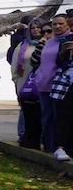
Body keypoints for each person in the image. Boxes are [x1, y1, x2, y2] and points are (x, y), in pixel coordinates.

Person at [35, 15, 71, 154]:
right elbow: (40, 61)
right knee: (47, 118)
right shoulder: (49, 41)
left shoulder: (69, 39)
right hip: (44, 84)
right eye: (54, 24)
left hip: (61, 85)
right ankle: (50, 147)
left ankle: (61, 147)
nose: (57, 27)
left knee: (60, 118)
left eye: (60, 24)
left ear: (67, 25)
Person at [12, 20, 44, 150]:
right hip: (25, 83)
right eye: (33, 28)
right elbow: (15, 65)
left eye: (38, 27)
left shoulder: (48, 43)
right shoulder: (23, 45)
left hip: (43, 83)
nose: (36, 30)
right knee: (25, 112)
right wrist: (17, 81)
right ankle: (24, 135)